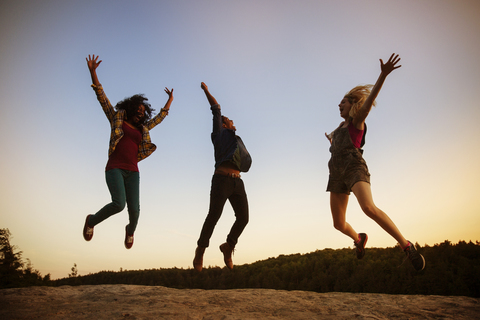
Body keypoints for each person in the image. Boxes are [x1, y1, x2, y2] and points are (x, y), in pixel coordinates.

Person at [324, 53, 425, 271]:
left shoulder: (357, 120)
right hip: (336, 175)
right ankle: (359, 239)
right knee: (338, 224)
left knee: (368, 208)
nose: (339, 104)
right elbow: (337, 143)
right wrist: (331, 139)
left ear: (352, 105)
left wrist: (383, 76)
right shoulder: (338, 129)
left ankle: (406, 246)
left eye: (343, 101)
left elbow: (367, 105)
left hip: (354, 168)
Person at [82, 54, 174, 249]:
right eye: (138, 109)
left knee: (135, 211)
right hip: (115, 167)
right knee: (119, 204)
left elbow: (159, 118)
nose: (141, 112)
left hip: (133, 171)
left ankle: (130, 230)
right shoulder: (117, 119)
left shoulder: (143, 129)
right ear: (131, 108)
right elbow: (102, 98)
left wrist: (169, 101)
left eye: (143, 110)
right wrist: (93, 73)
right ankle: (91, 221)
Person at [193, 82, 252, 271]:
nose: (233, 122)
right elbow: (216, 109)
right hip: (221, 180)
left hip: (238, 182)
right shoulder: (219, 133)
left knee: (243, 218)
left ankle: (228, 246)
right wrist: (206, 91)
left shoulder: (237, 140)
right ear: (225, 124)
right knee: (214, 215)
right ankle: (201, 249)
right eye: (230, 120)